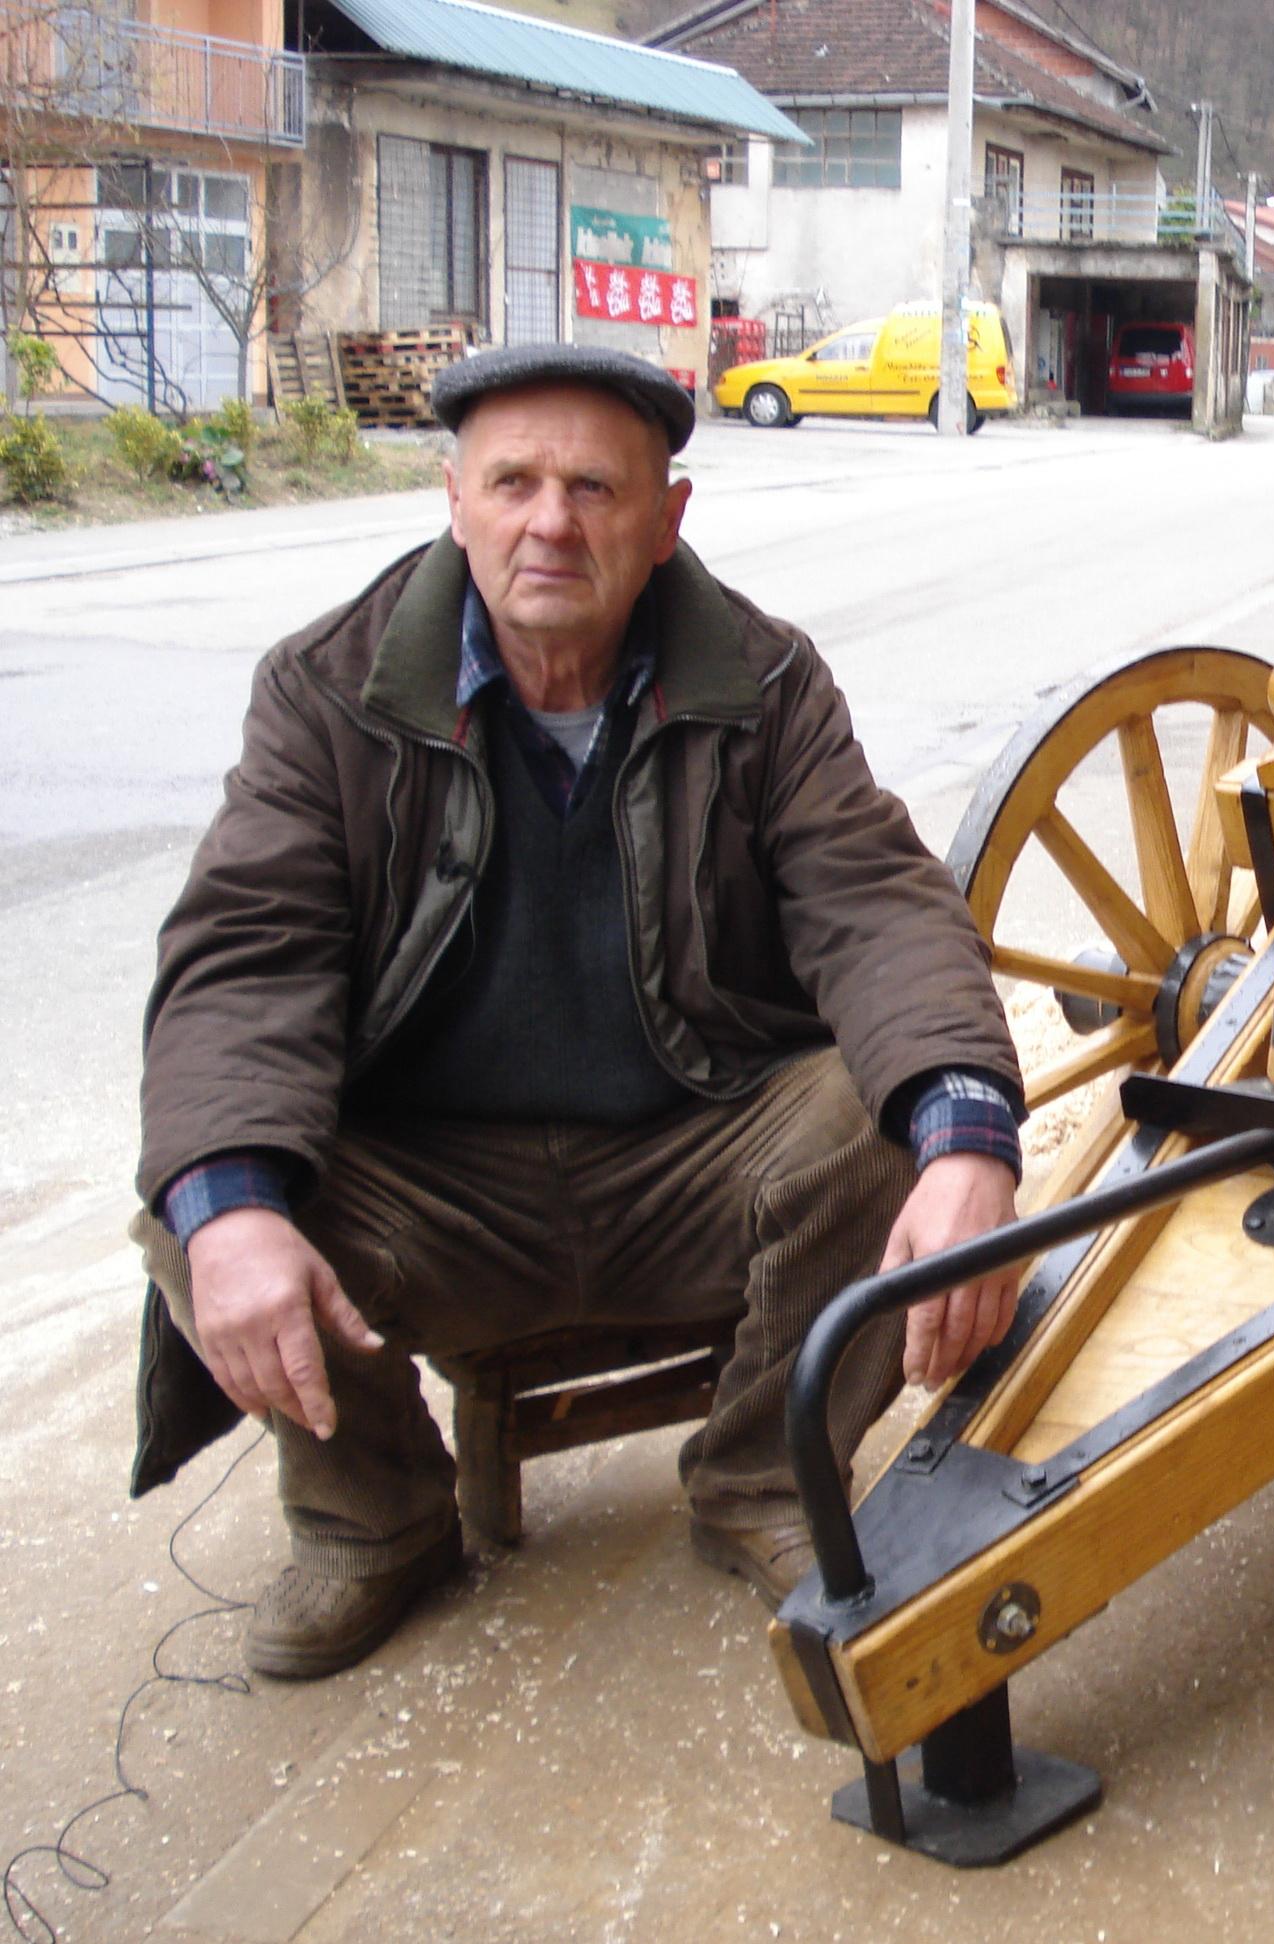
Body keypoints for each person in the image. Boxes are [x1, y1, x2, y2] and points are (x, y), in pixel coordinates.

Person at [128, 344, 1028, 1680]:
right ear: (454, 500)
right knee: (206, 1198)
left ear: (666, 521)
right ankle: (373, 1523)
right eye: (515, 484)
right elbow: (246, 955)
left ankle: (761, 1480)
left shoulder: (766, 685)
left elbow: (876, 905)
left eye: (596, 489)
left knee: (897, 1117)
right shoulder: (328, 691)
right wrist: (233, 1202)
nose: (551, 522)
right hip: (437, 1190)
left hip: (692, 1155)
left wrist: (970, 1140)